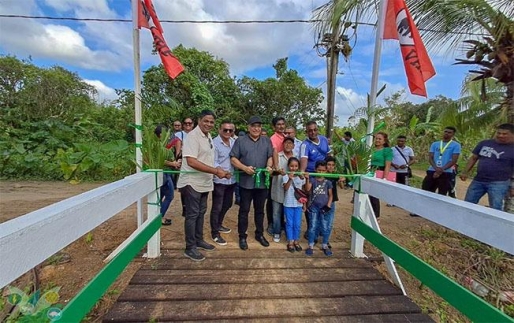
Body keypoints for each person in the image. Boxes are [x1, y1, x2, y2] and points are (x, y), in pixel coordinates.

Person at [177, 110, 231, 262]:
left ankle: (199, 240)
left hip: (204, 182)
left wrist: (220, 171)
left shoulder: (208, 137)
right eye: (206, 121)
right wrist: (215, 171)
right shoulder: (192, 137)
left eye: (211, 122)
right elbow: (191, 161)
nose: (209, 124)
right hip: (192, 182)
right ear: (199, 120)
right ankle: (190, 247)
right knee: (192, 215)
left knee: (201, 213)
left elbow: (208, 159)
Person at [230, 116, 274, 250]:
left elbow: (270, 157)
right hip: (246, 183)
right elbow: (233, 158)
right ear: (248, 127)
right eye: (254, 126)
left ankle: (259, 234)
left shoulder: (267, 141)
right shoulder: (240, 141)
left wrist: (269, 166)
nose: (256, 128)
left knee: (260, 211)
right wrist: (244, 168)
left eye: (259, 126)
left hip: (262, 184)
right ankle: (242, 236)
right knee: (244, 210)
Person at [460, 123, 514, 211]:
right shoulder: (485, 143)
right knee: (468, 203)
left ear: (512, 134)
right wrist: (465, 171)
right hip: (478, 180)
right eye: (499, 133)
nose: (500, 135)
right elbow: (473, 158)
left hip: (499, 183)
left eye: (504, 134)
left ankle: (493, 224)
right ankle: (464, 222)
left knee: (495, 208)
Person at [300, 120, 331, 238]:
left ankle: (320, 229)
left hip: (324, 176)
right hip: (312, 176)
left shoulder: (323, 140)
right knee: (310, 202)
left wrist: (331, 170)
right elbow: (304, 159)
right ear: (306, 132)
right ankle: (310, 229)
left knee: (323, 200)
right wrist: (303, 172)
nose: (313, 132)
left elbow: (328, 156)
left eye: (315, 130)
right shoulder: (305, 145)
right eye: (310, 131)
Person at [209, 121, 236, 246]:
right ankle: (214, 233)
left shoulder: (234, 142)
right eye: (225, 130)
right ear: (220, 130)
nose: (228, 132)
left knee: (228, 203)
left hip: (232, 179)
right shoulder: (214, 143)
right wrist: (222, 172)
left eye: (231, 130)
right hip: (219, 180)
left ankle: (219, 224)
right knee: (217, 206)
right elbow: (213, 161)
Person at [304, 160, 333, 257]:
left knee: (325, 227)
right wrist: (307, 179)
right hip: (313, 207)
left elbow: (330, 195)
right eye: (319, 170)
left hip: (324, 207)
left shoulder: (328, 182)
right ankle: (311, 245)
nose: (321, 172)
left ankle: (325, 244)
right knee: (312, 226)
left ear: (326, 171)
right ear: (315, 170)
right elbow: (308, 189)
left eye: (323, 170)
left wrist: (328, 205)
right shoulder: (312, 180)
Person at [154, 125, 181, 225]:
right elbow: (159, 159)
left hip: (167, 172)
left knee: (161, 196)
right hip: (164, 172)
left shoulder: (164, 144)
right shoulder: (158, 145)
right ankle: (159, 217)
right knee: (169, 195)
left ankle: (157, 216)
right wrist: (173, 164)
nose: (168, 135)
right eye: (166, 133)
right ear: (161, 134)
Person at [422, 127, 461, 196]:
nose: (447, 133)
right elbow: (430, 158)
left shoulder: (456, 145)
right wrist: (436, 169)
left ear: (453, 134)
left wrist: (441, 169)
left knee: (442, 194)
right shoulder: (435, 144)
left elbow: (454, 160)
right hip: (432, 170)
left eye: (449, 132)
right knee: (426, 191)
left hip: (446, 172)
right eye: (445, 131)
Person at [270, 137, 295, 243]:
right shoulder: (277, 156)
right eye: (286, 143)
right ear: (283, 145)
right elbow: (271, 173)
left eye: (290, 143)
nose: (288, 145)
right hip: (277, 189)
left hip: (291, 192)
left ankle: (291, 234)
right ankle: (277, 232)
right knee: (276, 213)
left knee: (290, 214)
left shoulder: (296, 158)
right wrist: (278, 172)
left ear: (293, 145)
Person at [282, 156, 305, 253]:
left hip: (298, 204)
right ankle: (290, 241)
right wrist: (290, 179)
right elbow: (285, 188)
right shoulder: (285, 176)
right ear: (288, 166)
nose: (294, 168)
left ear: (299, 167)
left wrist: (305, 178)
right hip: (288, 204)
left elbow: (304, 191)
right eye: (291, 166)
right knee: (289, 223)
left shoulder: (301, 178)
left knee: (297, 224)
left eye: (296, 166)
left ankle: (296, 240)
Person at [369, 132, 393, 220]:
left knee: (374, 195)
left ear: (384, 141)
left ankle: (376, 216)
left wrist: (385, 178)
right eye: (376, 138)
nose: (377, 140)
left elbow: (387, 165)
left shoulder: (387, 150)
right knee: (367, 193)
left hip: (379, 172)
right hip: (369, 171)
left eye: (380, 139)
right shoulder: (371, 149)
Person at [325, 156, 344, 249]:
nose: (330, 167)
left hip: (332, 201)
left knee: (330, 222)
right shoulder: (321, 174)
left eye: (332, 165)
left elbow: (342, 187)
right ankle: (316, 237)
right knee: (320, 221)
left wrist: (341, 180)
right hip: (321, 201)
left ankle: (326, 240)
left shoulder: (335, 175)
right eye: (328, 165)